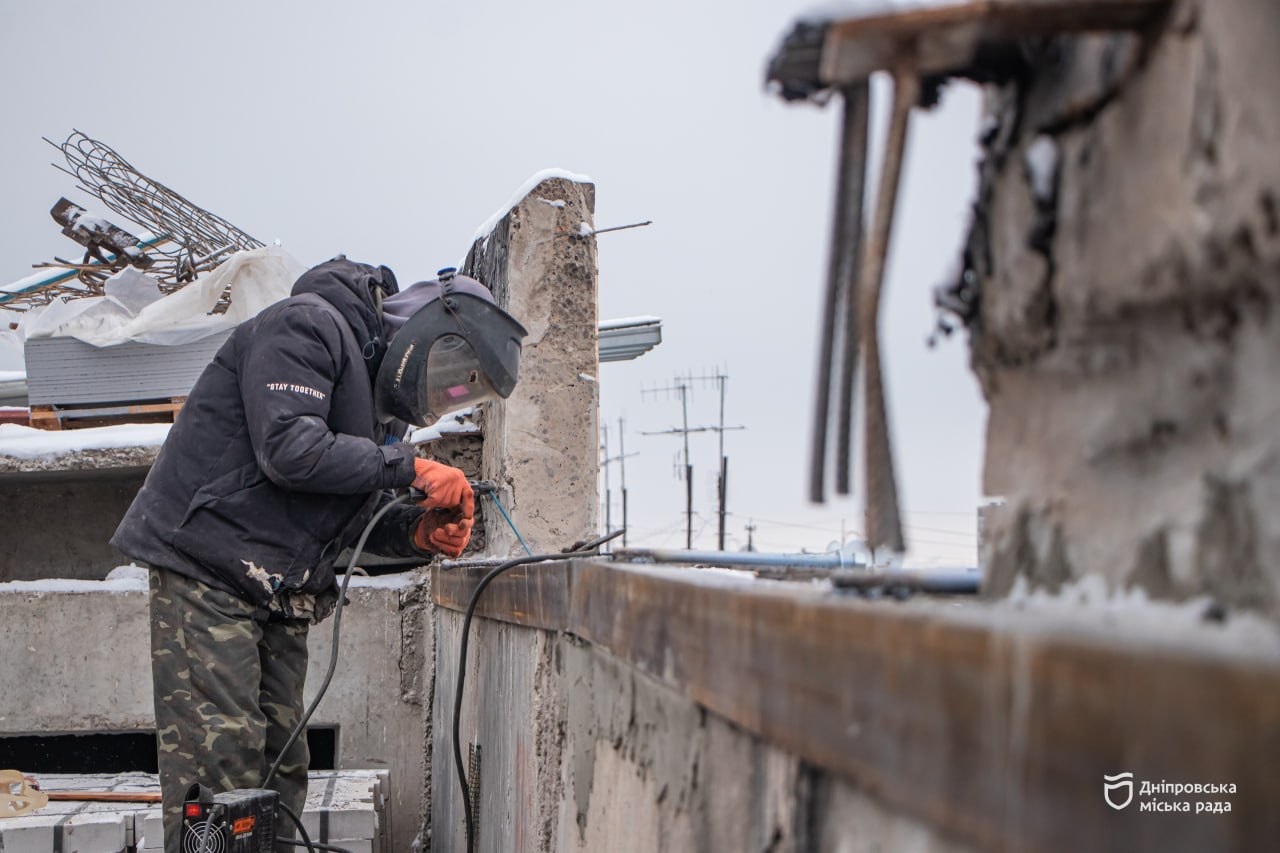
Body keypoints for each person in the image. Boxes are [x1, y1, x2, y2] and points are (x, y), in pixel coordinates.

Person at [111, 256, 516, 851]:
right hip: (208, 568)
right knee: (223, 760)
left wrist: (413, 534)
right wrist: (408, 466)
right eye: (451, 375)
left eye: (462, 392)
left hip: (277, 592)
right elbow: (290, 448)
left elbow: (344, 516)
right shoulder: (308, 325)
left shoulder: (383, 414)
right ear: (425, 332)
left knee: (281, 764)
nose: (445, 396)